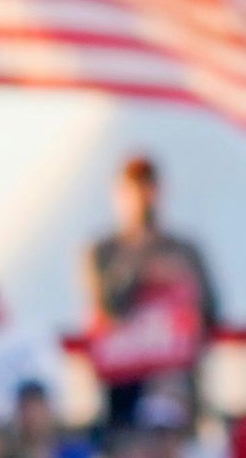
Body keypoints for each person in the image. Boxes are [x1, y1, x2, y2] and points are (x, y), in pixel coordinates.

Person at [87, 156, 222, 425]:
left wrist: (180, 284)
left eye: (148, 187)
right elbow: (107, 306)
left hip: (177, 380)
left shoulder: (185, 249)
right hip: (126, 385)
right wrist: (139, 269)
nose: (142, 198)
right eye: (134, 189)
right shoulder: (102, 251)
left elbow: (212, 311)